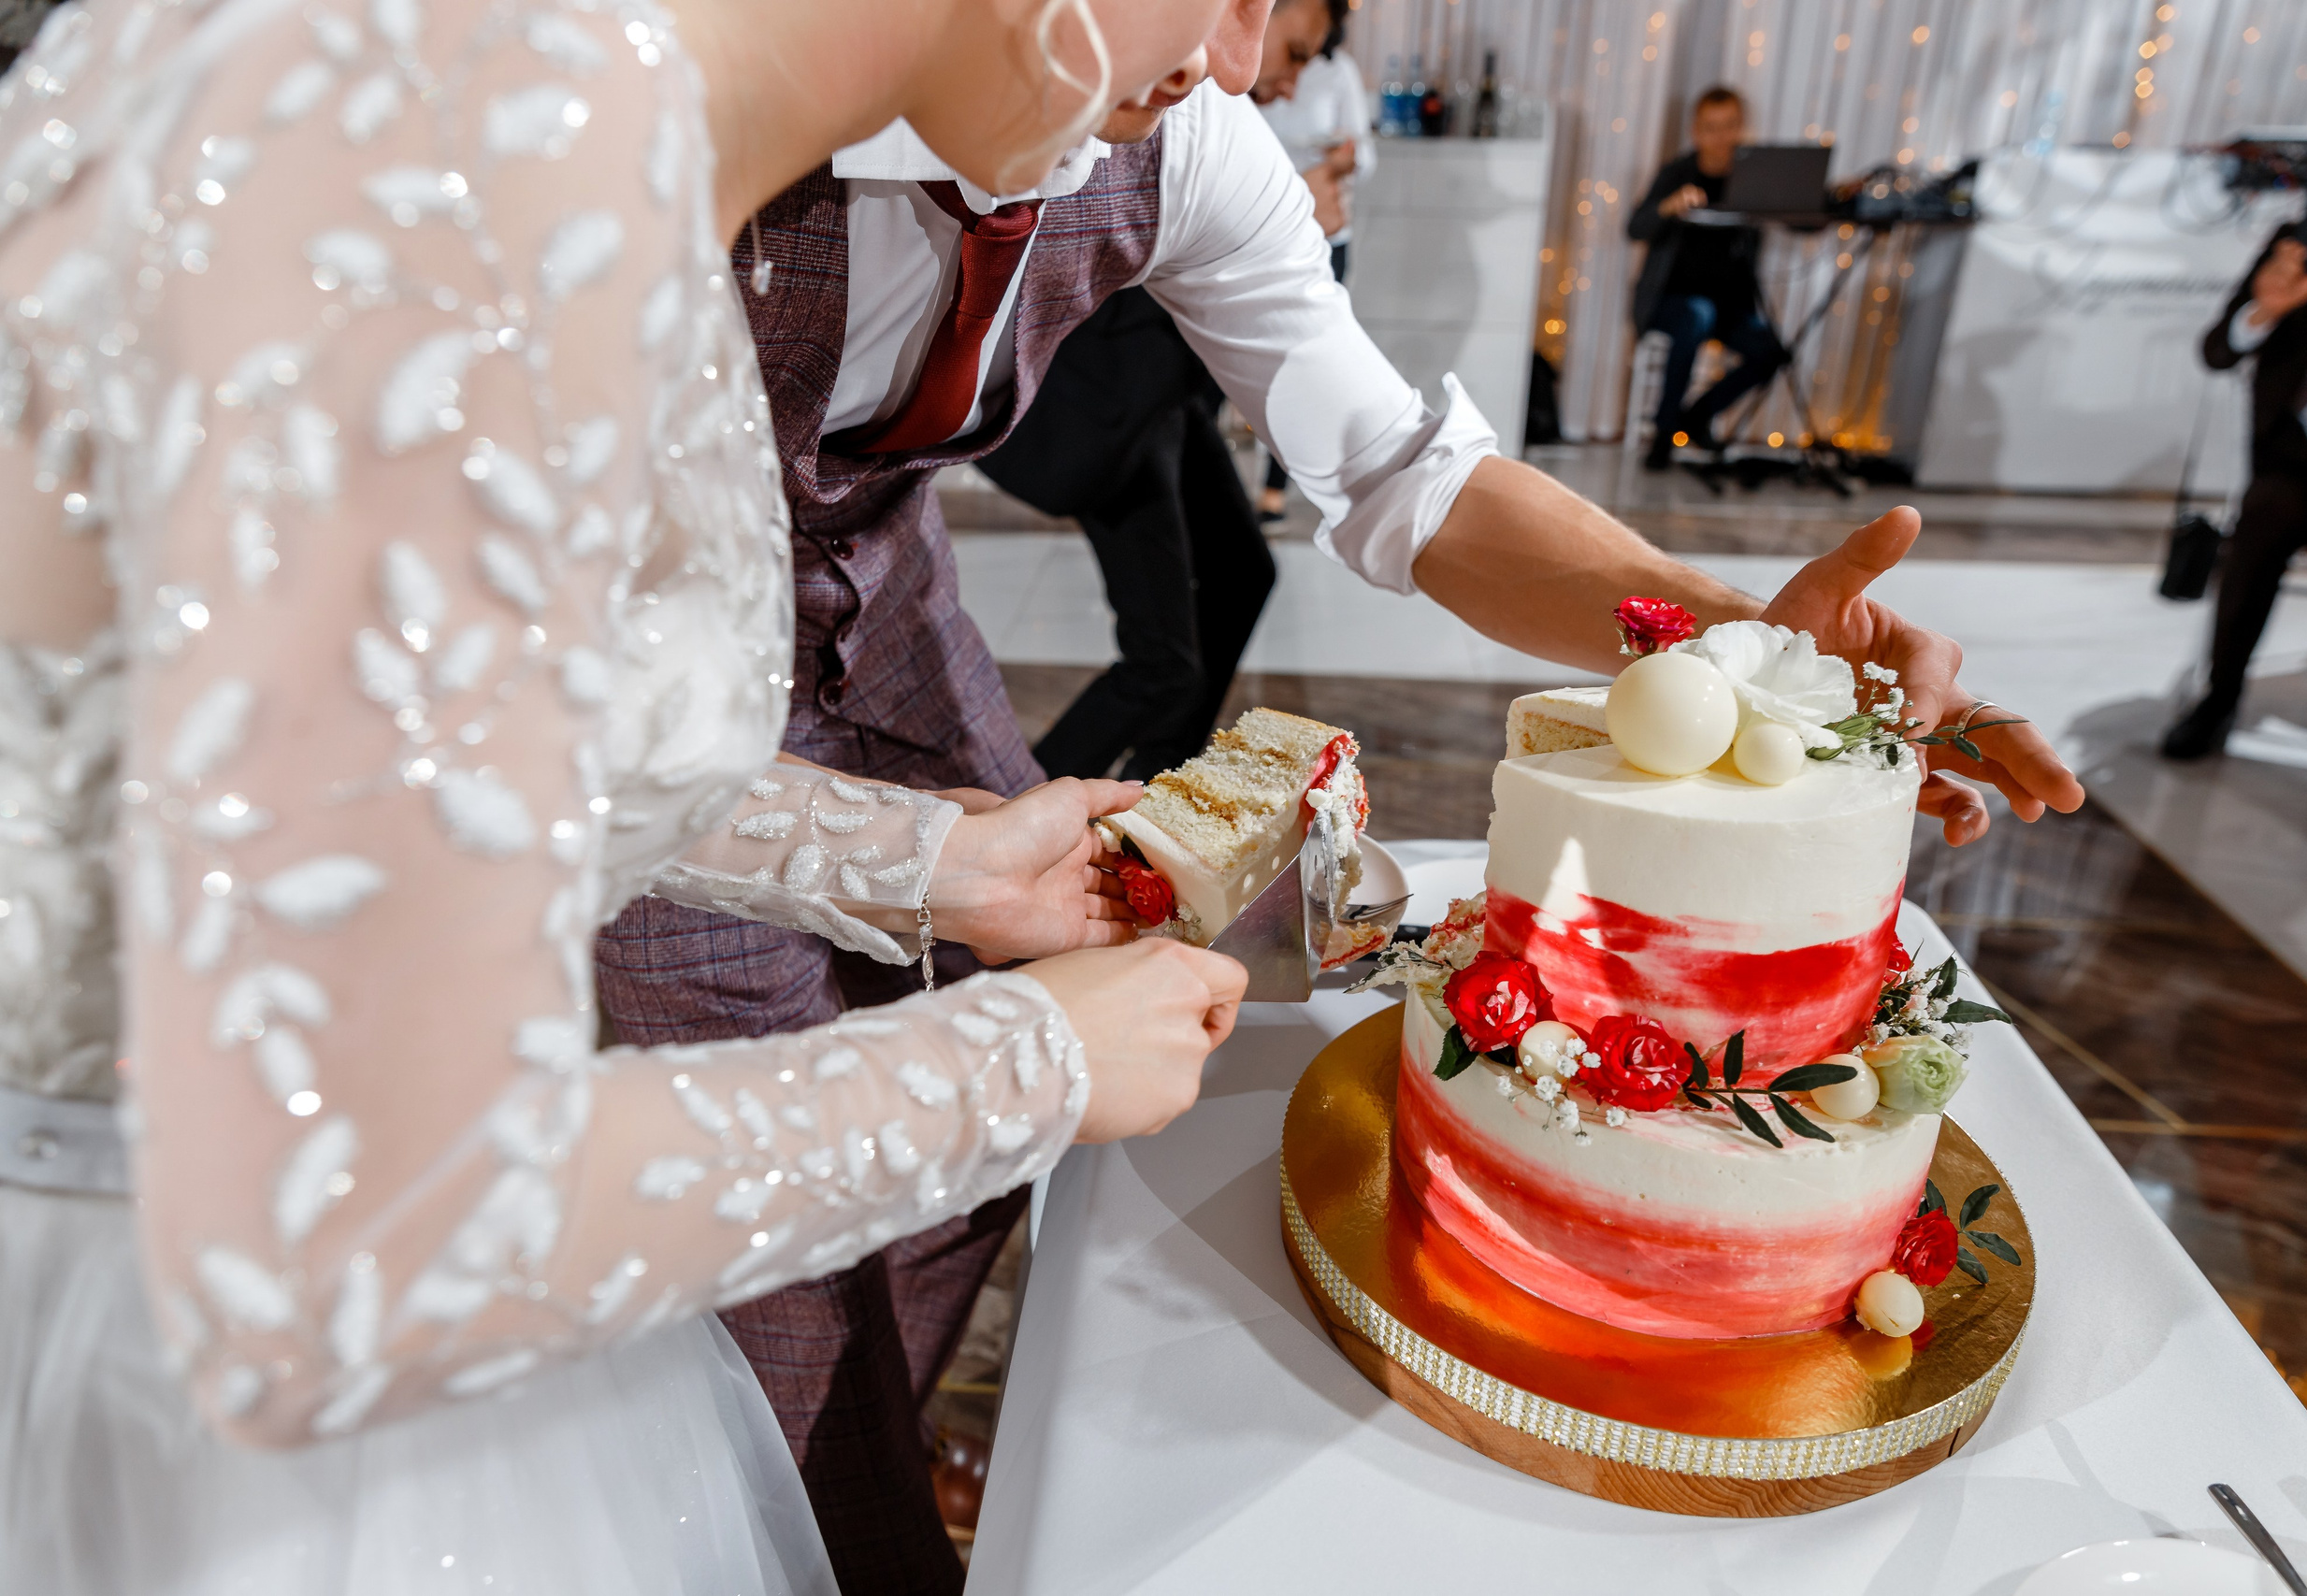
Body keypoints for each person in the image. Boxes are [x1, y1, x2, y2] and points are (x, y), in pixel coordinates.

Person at [677, 10, 2090, 1588]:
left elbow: (1406, 471)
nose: (1241, 54)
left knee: (993, 1128)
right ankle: (819, 1510)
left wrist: (1748, 655)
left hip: (902, 636)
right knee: (763, 1248)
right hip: (611, 717)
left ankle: (890, 1393)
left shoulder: (1177, 125)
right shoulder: (643, 121)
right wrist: (905, 857)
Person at [0, 1, 1251, 1591]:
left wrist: (939, 862)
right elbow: (363, 1234)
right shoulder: (448, 157)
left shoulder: (570, 114)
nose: (1241, 49)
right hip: (183, 1387)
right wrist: (1026, 1063)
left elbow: (416, 752)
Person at [2164, 117, 2307, 761]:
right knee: (2260, 526)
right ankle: (2220, 693)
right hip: (2298, 460)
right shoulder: (2304, 245)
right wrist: (2265, 309)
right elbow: (2216, 351)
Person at [979, 289, 1275, 779]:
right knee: (1163, 666)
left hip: (1167, 382)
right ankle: (1026, 803)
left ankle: (1159, 785)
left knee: (1245, 573)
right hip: (1112, 396)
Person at [1626, 85, 1790, 471]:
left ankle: (1697, 415)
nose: (1722, 137)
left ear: (1742, 127)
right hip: (1670, 301)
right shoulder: (1677, 174)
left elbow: (1801, 224)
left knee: (1772, 350)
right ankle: (1664, 434)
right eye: (1712, 128)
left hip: (1730, 304)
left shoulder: (1752, 180)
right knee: (1694, 317)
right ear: (1696, 131)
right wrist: (1668, 206)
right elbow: (1636, 228)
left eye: (1730, 126)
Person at [1252, 0, 1371, 520]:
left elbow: (1362, 153)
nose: (1291, 88)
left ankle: (1274, 486)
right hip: (1268, 226)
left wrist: (1345, 162)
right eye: (1295, 56)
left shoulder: (1339, 72)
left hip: (1322, 235)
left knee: (1298, 371)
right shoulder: (1219, 92)